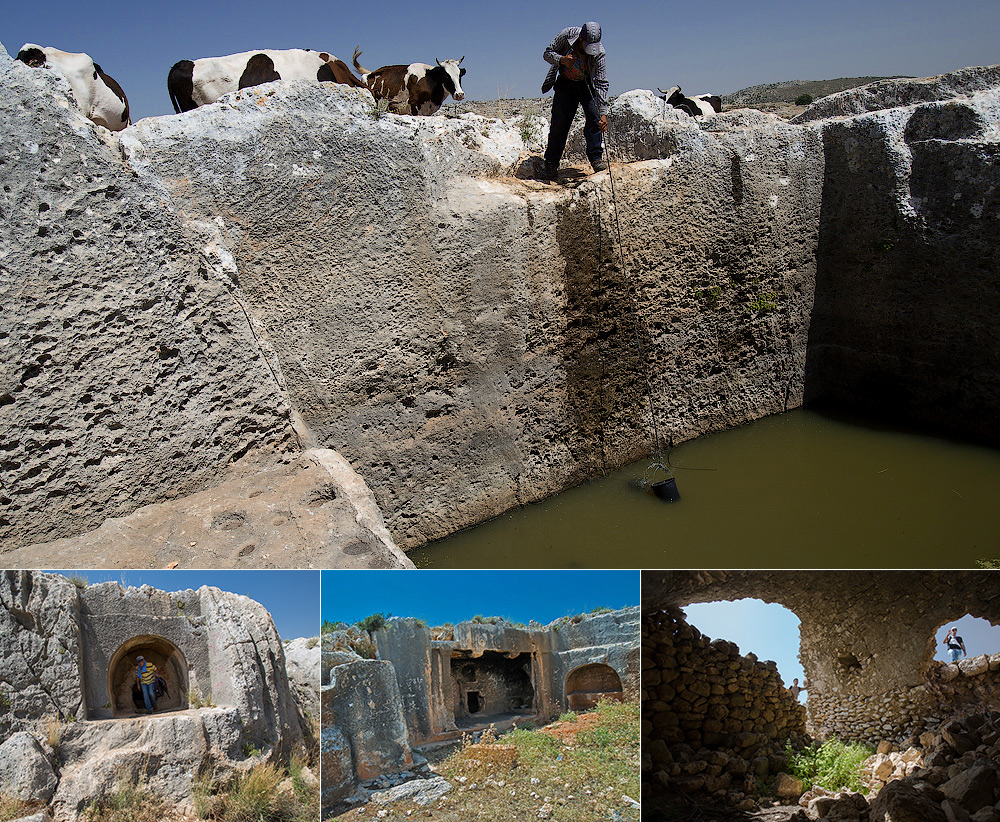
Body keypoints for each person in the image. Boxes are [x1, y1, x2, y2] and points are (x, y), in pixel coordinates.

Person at [537, 22, 609, 180]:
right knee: (559, 124)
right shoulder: (567, 34)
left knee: (594, 117)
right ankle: (551, 164)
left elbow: (602, 82)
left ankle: (596, 158)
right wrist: (562, 60)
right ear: (581, 38)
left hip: (587, 84)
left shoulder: (599, 52)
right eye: (586, 45)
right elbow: (547, 53)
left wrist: (603, 113)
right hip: (565, 83)